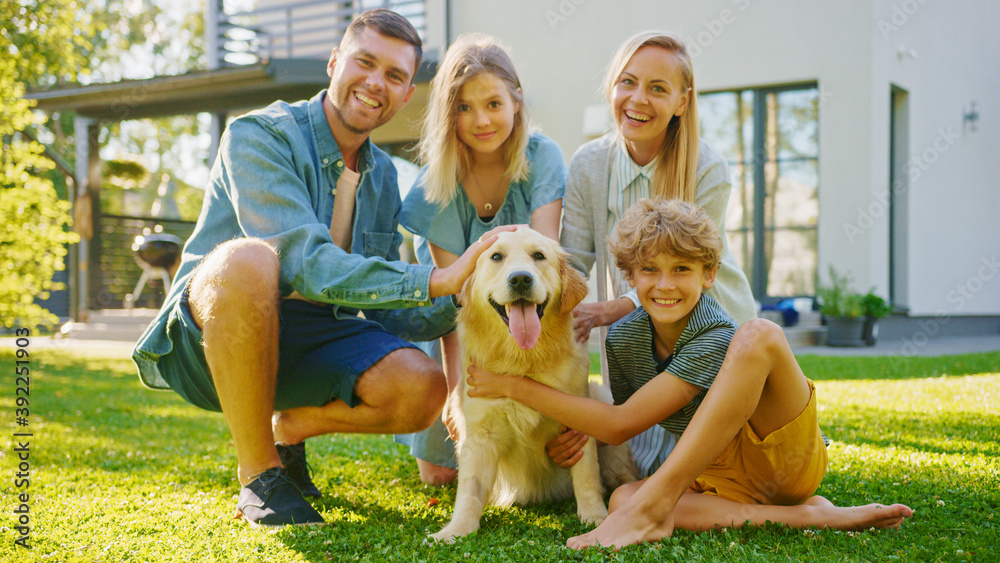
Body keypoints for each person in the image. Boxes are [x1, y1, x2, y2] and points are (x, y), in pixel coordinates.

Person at [131, 10, 512, 527]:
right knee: (250, 259)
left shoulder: (381, 182)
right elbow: (304, 263)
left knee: (421, 387)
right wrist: (434, 277)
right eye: (365, 62)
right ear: (335, 63)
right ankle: (261, 474)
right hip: (212, 339)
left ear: (405, 96)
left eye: (395, 76)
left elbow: (381, 306)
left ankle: (291, 428)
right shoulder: (259, 135)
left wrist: (462, 295)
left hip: (310, 340)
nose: (376, 82)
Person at [467, 199, 913, 549]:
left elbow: (618, 424)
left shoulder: (714, 334)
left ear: (709, 275)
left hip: (780, 460)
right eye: (650, 271)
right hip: (713, 472)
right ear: (630, 278)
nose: (664, 285)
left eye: (682, 269)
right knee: (622, 498)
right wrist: (581, 432)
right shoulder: (623, 342)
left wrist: (509, 386)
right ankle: (806, 516)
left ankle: (661, 508)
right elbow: (626, 427)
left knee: (758, 334)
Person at [554, 30, 757, 478]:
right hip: (636, 337)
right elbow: (572, 258)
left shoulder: (708, 167)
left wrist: (610, 308)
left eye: (658, 88)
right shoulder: (589, 163)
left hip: (707, 321)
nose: (638, 99)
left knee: (709, 470)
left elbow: (686, 270)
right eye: (627, 82)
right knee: (634, 473)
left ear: (682, 102)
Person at [394, 33, 566, 485]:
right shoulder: (436, 184)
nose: (481, 120)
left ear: (516, 102)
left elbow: (547, 268)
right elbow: (458, 300)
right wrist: (458, 392)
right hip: (463, 334)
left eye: (493, 103)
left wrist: (564, 401)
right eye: (464, 108)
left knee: (547, 457)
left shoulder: (543, 157)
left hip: (532, 322)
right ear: (448, 114)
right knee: (440, 475)